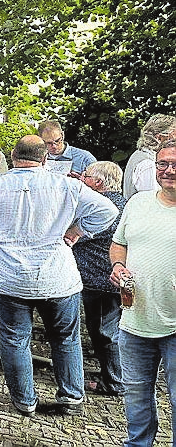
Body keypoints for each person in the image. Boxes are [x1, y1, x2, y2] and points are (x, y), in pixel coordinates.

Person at [0, 135, 118, 417]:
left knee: (15, 339)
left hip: (9, 276)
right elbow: (108, 210)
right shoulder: (67, 185)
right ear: (45, 158)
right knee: (65, 338)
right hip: (57, 277)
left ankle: (25, 401)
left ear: (12, 157)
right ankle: (72, 398)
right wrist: (77, 231)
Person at [110, 139, 176, 446]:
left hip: (175, 324)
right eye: (163, 164)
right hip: (134, 321)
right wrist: (119, 265)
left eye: (175, 164)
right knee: (135, 394)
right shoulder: (138, 203)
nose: (168, 171)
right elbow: (119, 243)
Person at [69, 161, 126, 397]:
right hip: (104, 278)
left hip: (101, 280)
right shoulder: (122, 202)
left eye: (86, 175)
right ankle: (114, 376)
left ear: (99, 183)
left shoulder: (106, 207)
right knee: (105, 330)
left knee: (105, 332)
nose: (82, 178)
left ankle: (115, 382)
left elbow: (77, 236)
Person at [123, 114, 176, 199]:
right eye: (173, 138)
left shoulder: (140, 155)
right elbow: (153, 201)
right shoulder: (148, 163)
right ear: (159, 138)